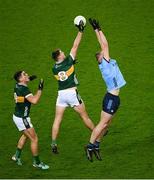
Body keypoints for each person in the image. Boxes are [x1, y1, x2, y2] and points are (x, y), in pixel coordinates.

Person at [51, 21, 100, 154]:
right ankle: (98, 133)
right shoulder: (68, 61)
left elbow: (65, 72)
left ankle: (54, 143)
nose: (64, 52)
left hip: (61, 95)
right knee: (85, 117)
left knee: (57, 119)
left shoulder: (54, 68)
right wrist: (81, 31)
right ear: (60, 56)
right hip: (72, 93)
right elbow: (75, 45)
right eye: (62, 52)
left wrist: (71, 65)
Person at [85, 18, 126, 162]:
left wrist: (97, 30)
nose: (104, 52)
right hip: (111, 98)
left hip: (113, 98)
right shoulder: (106, 65)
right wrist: (98, 29)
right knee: (102, 124)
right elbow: (105, 44)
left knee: (107, 124)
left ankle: (96, 144)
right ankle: (89, 146)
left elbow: (102, 45)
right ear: (101, 59)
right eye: (102, 54)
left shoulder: (106, 63)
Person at [12, 71, 49, 170]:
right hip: (22, 118)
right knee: (34, 139)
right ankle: (37, 163)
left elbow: (22, 83)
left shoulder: (17, 85)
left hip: (17, 115)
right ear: (20, 79)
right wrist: (40, 89)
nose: (27, 75)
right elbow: (34, 100)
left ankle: (16, 156)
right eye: (25, 75)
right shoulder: (24, 90)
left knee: (25, 135)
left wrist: (29, 79)